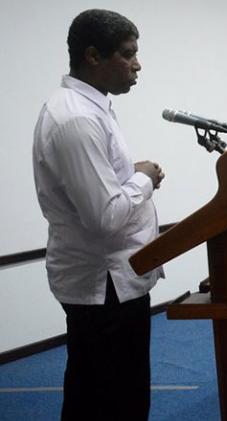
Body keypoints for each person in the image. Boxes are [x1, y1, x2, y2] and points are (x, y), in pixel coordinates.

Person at [32, 9, 163, 421]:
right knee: (110, 400)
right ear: (93, 56)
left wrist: (130, 177)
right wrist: (143, 179)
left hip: (116, 281)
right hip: (103, 285)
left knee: (102, 393)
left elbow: (102, 190)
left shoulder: (95, 107)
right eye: (128, 54)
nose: (137, 64)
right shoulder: (76, 118)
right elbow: (105, 217)